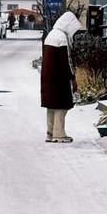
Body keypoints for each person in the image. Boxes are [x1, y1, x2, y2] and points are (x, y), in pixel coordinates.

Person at [40, 11, 82, 143]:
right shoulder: (62, 38)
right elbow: (67, 61)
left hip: (48, 77)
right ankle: (59, 134)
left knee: (51, 106)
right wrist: (72, 78)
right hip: (60, 78)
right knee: (61, 106)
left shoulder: (51, 35)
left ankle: (50, 132)